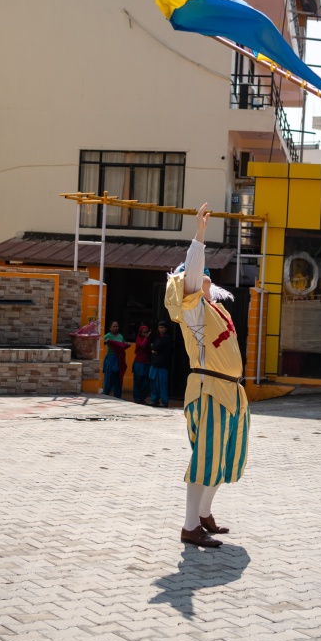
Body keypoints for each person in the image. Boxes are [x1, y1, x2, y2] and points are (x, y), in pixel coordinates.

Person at [165, 203, 249, 548]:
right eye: (195, 274)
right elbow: (193, 270)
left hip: (232, 392)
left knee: (227, 456)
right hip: (209, 388)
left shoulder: (216, 308)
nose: (204, 274)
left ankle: (203, 514)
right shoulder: (194, 308)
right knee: (206, 457)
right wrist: (199, 235)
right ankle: (188, 526)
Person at [101, 321, 129, 399]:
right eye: (114, 326)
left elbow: (123, 344)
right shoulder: (107, 336)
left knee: (118, 378)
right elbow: (100, 343)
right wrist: (106, 341)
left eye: (117, 326)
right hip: (110, 358)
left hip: (119, 358)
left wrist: (126, 344)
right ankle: (105, 395)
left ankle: (117, 396)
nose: (116, 328)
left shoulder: (120, 336)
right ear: (110, 328)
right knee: (109, 378)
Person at [148, 321, 172, 408]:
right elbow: (153, 348)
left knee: (162, 383)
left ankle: (164, 401)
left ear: (166, 329)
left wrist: (154, 349)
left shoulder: (167, 338)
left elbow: (155, 348)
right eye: (159, 327)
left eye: (163, 327)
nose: (161, 329)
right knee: (153, 382)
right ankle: (154, 400)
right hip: (154, 363)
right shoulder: (158, 338)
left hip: (162, 365)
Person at [132, 323, 152, 403]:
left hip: (147, 362)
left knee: (145, 382)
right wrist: (147, 337)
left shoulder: (149, 340)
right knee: (137, 381)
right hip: (139, 362)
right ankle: (137, 398)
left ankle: (142, 398)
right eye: (143, 332)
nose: (145, 334)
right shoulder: (139, 339)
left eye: (146, 332)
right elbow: (142, 345)